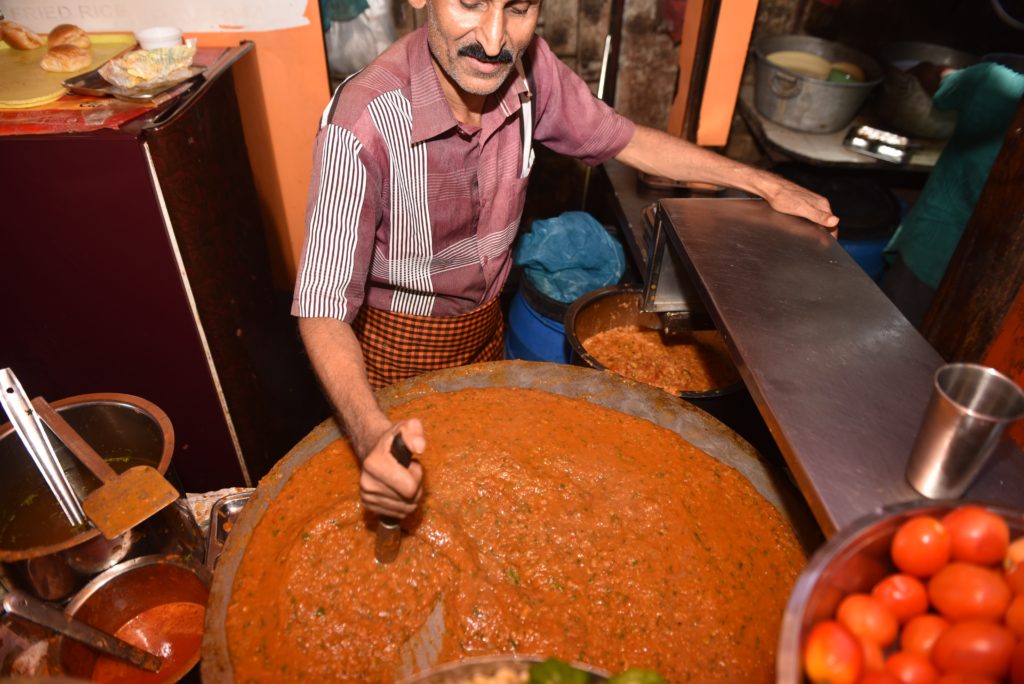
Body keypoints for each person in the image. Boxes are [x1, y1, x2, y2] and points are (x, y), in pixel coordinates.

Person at [292, 0, 839, 521]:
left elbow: (625, 140)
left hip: (486, 330)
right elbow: (322, 305)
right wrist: (369, 434)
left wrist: (758, 182)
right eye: (470, 3)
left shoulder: (531, 72)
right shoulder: (359, 122)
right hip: (394, 353)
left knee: (482, 488)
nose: (492, 38)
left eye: (519, 9)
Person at [881, 59, 1024, 327]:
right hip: (996, 286)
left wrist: (928, 68)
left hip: (931, 254)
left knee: (891, 336)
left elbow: (937, 79)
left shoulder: (993, 83)